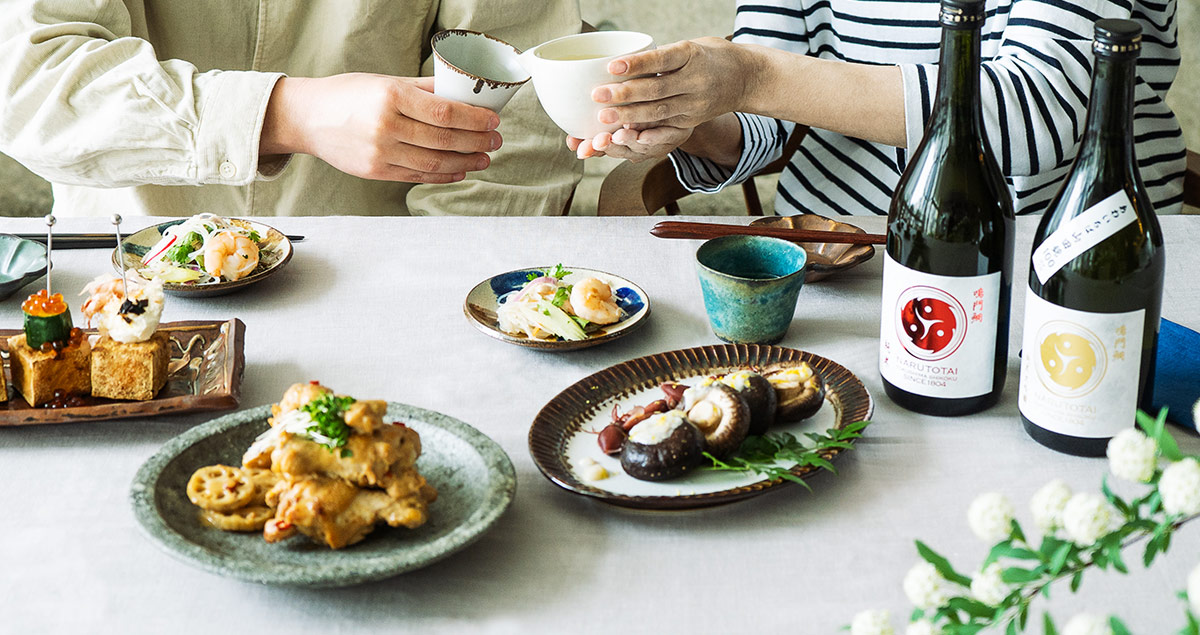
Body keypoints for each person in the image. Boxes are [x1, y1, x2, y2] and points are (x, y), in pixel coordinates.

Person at [572, 0, 1185, 216]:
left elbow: (1035, 115)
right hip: (841, 261)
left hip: (1063, 268)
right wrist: (687, 118)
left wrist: (751, 75)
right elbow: (768, 118)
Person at [0, 0, 582, 217]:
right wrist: (288, 115)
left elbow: (514, 138)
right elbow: (32, 87)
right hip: (130, 270)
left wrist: (433, 295)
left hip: (383, 280)